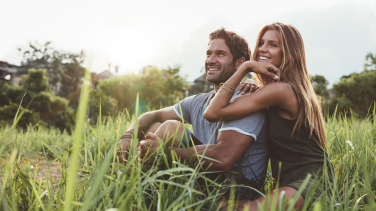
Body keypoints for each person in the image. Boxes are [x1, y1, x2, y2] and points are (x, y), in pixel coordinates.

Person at [117, 28, 270, 200]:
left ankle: (128, 192)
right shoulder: (199, 101)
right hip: (206, 179)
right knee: (154, 127)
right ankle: (137, 189)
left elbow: (223, 158)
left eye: (220, 54)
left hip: (237, 189)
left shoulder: (247, 100)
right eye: (208, 53)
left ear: (239, 63)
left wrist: (163, 152)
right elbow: (153, 115)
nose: (211, 60)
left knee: (169, 128)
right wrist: (127, 137)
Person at [203, 22, 332, 210]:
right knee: (216, 205)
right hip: (291, 182)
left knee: (227, 208)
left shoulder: (281, 90)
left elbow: (212, 112)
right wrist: (255, 85)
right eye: (261, 43)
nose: (262, 49)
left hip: (309, 181)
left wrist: (245, 67)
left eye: (272, 44)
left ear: (288, 52)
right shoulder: (277, 90)